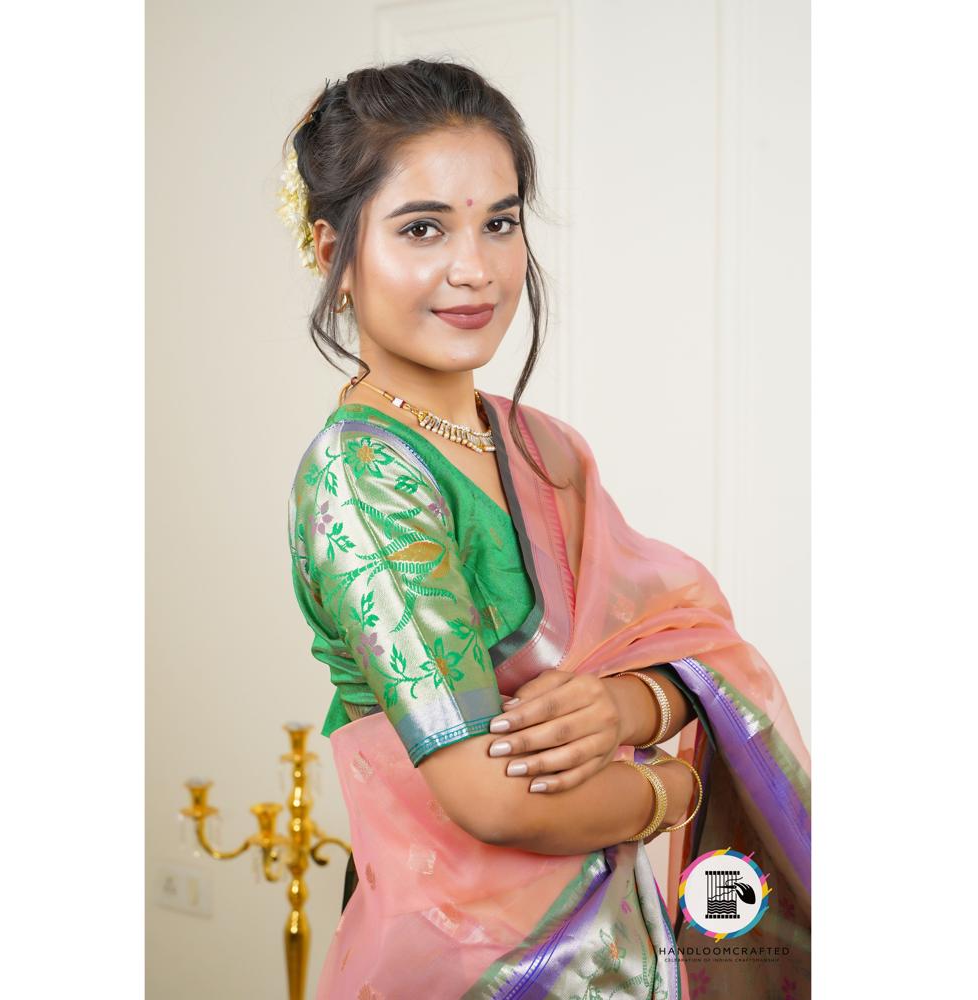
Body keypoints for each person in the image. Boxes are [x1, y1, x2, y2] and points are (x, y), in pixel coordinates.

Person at [282, 59, 810, 999]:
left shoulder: (543, 447)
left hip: (619, 934)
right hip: (481, 962)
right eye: (421, 229)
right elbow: (490, 796)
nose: (475, 268)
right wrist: (679, 790)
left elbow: (692, 641)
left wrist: (630, 705)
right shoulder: (363, 477)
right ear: (333, 249)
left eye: (502, 221)